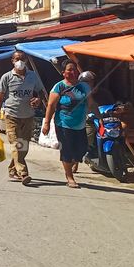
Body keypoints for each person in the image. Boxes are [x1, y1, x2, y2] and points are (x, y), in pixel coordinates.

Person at [42, 61, 101, 189]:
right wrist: (46, 123)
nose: (73, 72)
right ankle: (69, 177)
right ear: (63, 72)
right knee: (67, 150)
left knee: (82, 149)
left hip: (80, 124)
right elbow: (51, 105)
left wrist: (100, 118)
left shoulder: (84, 87)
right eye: (69, 70)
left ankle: (73, 162)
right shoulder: (59, 87)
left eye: (74, 69)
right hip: (63, 124)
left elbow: (91, 104)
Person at [0, 51, 47, 186]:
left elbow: (40, 92)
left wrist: (38, 100)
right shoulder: (7, 77)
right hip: (11, 116)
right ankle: (23, 173)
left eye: (22, 59)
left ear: (26, 61)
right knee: (16, 145)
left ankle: (12, 169)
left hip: (28, 116)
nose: (20, 61)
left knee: (24, 147)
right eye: (17, 59)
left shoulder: (33, 76)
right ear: (12, 61)